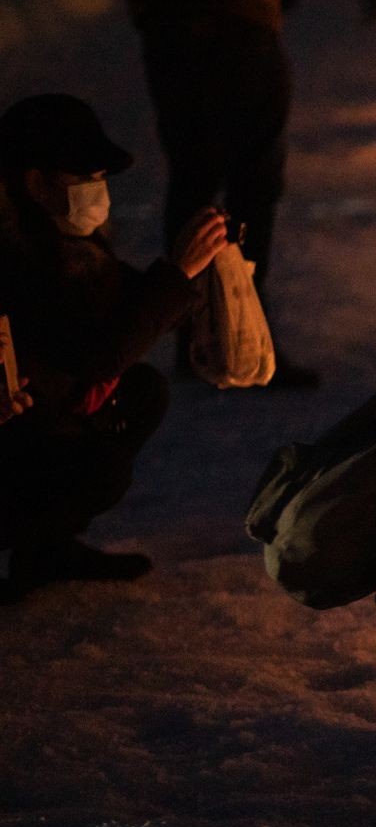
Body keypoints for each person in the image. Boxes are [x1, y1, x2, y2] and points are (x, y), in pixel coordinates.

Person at [0, 94, 228, 600]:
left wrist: (203, 278)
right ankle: (30, 535)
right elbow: (99, 352)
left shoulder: (62, 244)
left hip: (34, 421)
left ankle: (46, 549)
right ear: (35, 183)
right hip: (12, 435)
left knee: (141, 391)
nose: (99, 193)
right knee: (97, 470)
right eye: (85, 179)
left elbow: (131, 304)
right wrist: (177, 274)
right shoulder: (15, 262)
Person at [104, 0, 320, 389]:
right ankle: (237, 336)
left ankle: (196, 336)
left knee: (193, 175)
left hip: (171, 21)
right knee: (252, 179)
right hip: (238, 16)